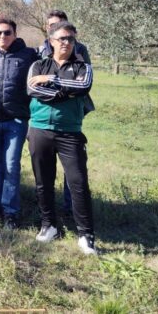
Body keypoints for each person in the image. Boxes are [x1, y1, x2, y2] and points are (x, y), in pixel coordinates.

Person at [27, 21, 96, 255]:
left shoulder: (82, 67)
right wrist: (66, 91)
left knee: (78, 183)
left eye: (71, 39)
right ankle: (49, 226)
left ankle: (86, 235)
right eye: (62, 38)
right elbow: (32, 90)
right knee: (43, 182)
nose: (67, 43)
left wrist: (52, 81)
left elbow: (83, 86)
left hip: (70, 132)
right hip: (39, 129)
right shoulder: (37, 65)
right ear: (51, 41)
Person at [0, 17, 38, 229]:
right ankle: (1, 203)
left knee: (11, 165)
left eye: (7, 32)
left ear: (15, 34)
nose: (2, 36)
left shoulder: (28, 55)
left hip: (16, 120)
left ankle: (11, 213)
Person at [38, 9, 94, 215]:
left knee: (72, 166)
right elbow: (34, 84)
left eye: (60, 24)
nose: (56, 27)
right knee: (46, 167)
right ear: (48, 29)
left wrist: (54, 85)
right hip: (46, 114)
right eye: (52, 25)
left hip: (71, 112)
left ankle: (71, 207)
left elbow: (82, 81)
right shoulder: (40, 50)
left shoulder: (79, 49)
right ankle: (48, 209)